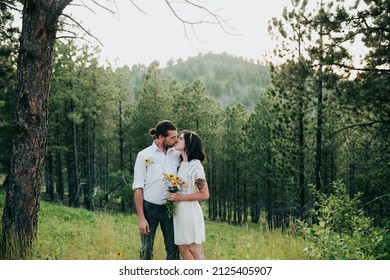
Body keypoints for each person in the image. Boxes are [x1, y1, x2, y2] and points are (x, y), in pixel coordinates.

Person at [132, 120, 181, 260]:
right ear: (160, 137)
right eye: (172, 137)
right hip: (149, 209)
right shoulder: (144, 155)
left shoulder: (177, 154)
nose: (176, 139)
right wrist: (141, 218)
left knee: (173, 251)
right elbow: (138, 187)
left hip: (170, 209)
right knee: (146, 251)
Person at [167, 130, 209, 260]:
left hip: (189, 210)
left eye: (181, 138)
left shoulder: (195, 165)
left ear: (189, 143)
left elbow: (204, 194)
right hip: (179, 211)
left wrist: (180, 197)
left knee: (194, 248)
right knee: (183, 249)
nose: (177, 140)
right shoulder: (182, 164)